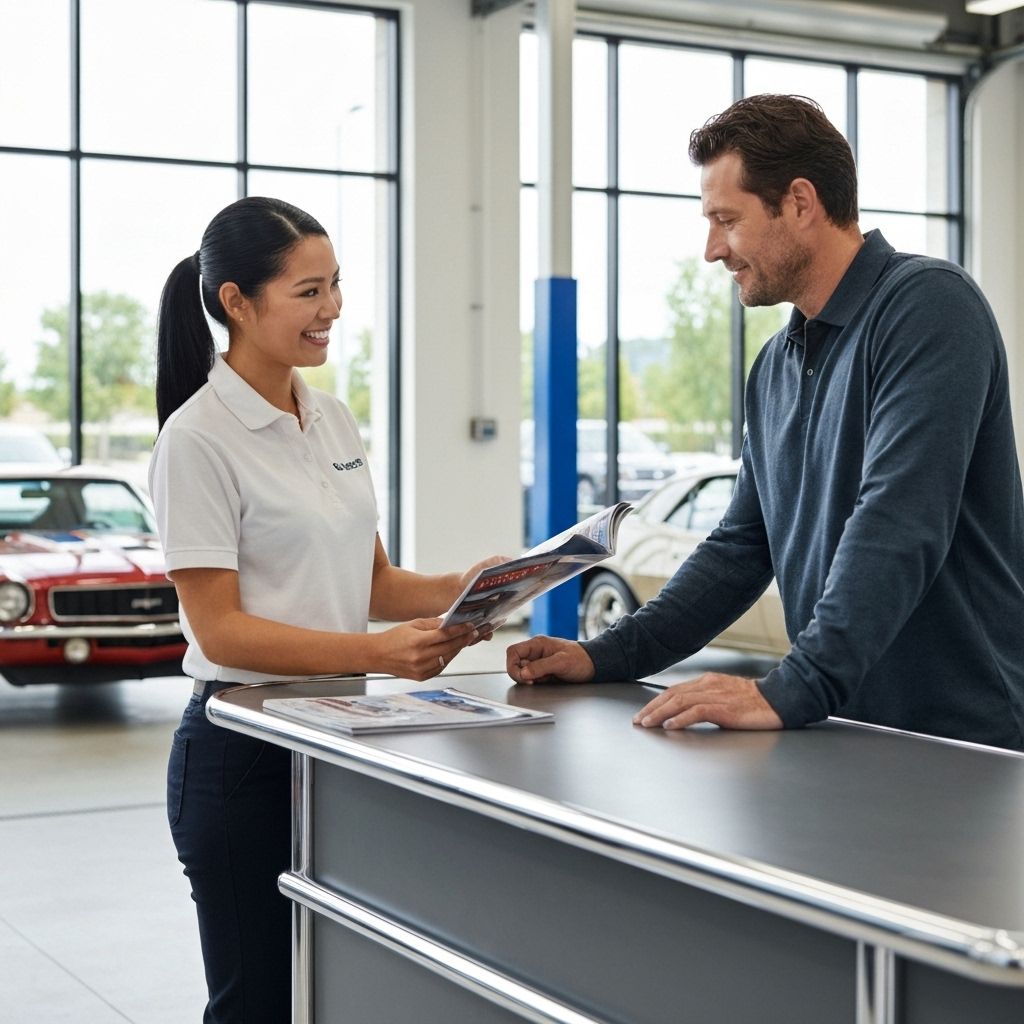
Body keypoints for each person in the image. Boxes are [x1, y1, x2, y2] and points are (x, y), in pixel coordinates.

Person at [507, 94, 1024, 752]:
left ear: (800, 203)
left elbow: (901, 517)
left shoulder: (927, 309)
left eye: (727, 220)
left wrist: (796, 685)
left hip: (962, 743)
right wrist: (605, 656)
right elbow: (741, 549)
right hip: (843, 729)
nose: (711, 249)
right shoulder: (776, 364)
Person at [151, 196, 496, 1023]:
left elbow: (371, 582)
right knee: (258, 1003)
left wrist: (475, 583)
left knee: (347, 988)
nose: (332, 309)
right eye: (308, 292)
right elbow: (219, 629)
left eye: (335, 285)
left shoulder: (330, 416)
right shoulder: (196, 440)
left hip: (340, 745)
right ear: (237, 301)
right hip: (242, 758)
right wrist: (380, 655)